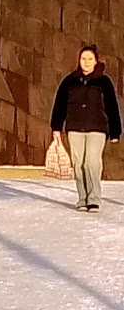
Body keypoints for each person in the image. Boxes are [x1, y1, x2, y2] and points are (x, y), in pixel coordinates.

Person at [50, 44, 121, 212]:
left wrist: (115, 131)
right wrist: (56, 127)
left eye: (90, 59)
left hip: (97, 128)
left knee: (91, 162)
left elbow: (112, 106)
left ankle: (94, 198)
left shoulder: (104, 82)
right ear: (79, 60)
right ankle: (83, 198)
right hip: (75, 128)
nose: (86, 62)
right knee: (79, 163)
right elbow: (60, 104)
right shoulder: (69, 81)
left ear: (96, 61)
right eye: (83, 59)